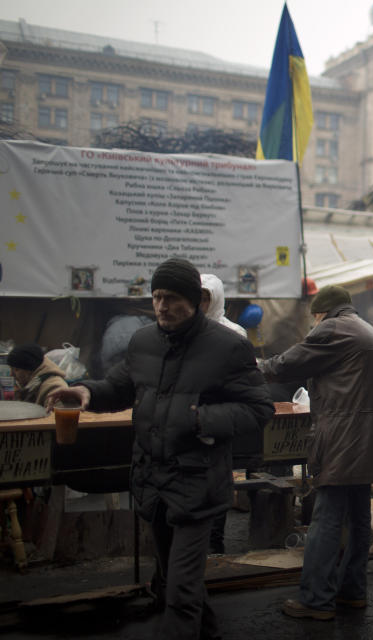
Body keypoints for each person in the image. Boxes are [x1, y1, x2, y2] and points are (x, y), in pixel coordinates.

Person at [47, 258, 274, 639]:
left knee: (180, 592)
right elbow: (120, 386)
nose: (161, 306)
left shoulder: (228, 346)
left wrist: (201, 419)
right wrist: (87, 390)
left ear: (192, 300)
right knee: (175, 580)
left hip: (197, 482)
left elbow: (258, 408)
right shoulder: (144, 342)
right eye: (156, 297)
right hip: (153, 478)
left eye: (170, 297)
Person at [260, 285, 373, 621]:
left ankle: (316, 600)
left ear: (322, 312)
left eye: (314, 317)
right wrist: (366, 408)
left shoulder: (332, 329)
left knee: (325, 519)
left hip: (340, 439)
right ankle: (352, 593)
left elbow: (287, 363)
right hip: (369, 439)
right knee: (357, 518)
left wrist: (255, 368)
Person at [199, 273, 248, 556]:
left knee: (218, 484)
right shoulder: (184, 330)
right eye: (199, 297)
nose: (203, 303)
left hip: (221, 419)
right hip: (190, 420)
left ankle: (215, 543)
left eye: (207, 297)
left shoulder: (234, 333)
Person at [8, 343, 67, 407]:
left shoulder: (53, 388)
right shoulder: (31, 386)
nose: (11, 374)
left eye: (16, 369)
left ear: (29, 369)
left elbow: (58, 415)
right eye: (11, 369)